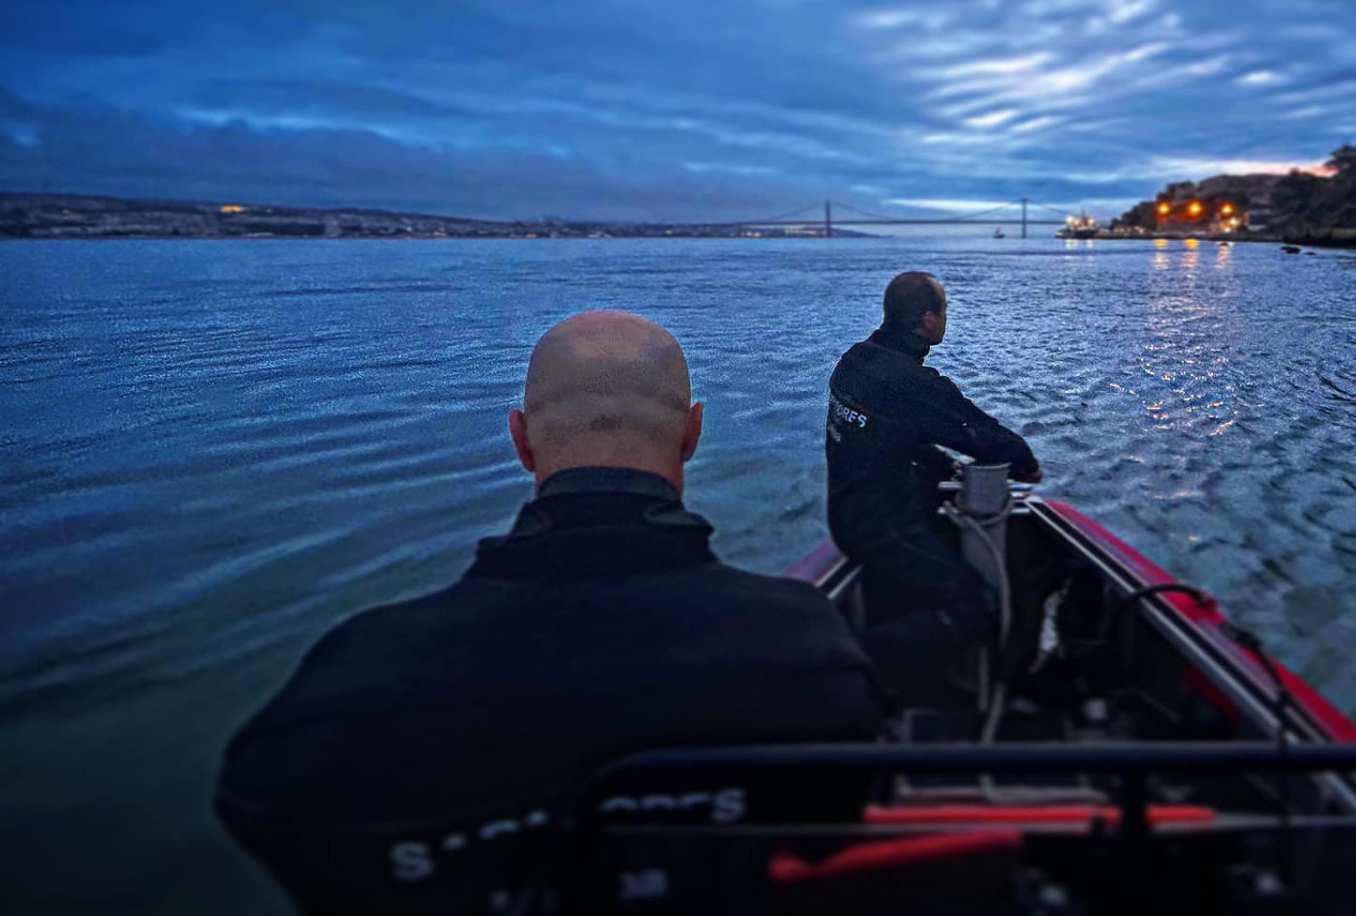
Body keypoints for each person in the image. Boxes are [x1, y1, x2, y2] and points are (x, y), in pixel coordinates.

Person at [218, 311, 882, 913]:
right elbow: (826, 836)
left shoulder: (336, 694)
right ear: (692, 434)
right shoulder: (805, 648)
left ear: (521, 441)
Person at [826, 271, 1042, 684]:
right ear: (927, 319)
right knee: (974, 606)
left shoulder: (855, 360)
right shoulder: (911, 383)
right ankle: (840, 659)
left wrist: (946, 467)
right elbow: (978, 432)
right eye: (944, 311)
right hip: (883, 528)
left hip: (847, 515)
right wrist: (1023, 461)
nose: (946, 319)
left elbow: (888, 433)